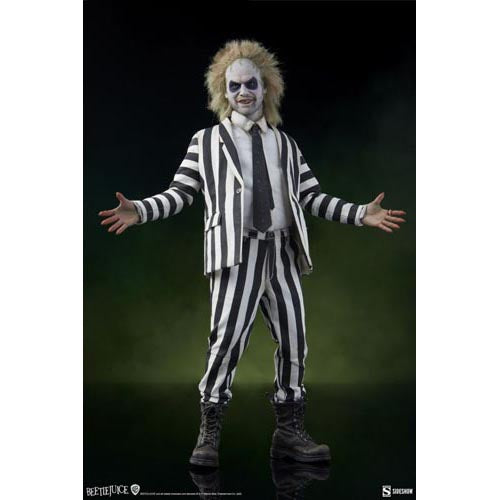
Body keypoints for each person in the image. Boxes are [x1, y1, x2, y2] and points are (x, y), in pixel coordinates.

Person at [98, 40, 406, 468]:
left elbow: (311, 197)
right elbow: (180, 193)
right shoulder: (206, 142)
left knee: (295, 340)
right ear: (223, 92)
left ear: (266, 88)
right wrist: (141, 210)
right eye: (235, 85)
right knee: (226, 342)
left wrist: (360, 214)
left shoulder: (286, 145)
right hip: (235, 254)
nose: (243, 92)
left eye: (251, 84)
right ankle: (208, 435)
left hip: (282, 253)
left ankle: (289, 434)